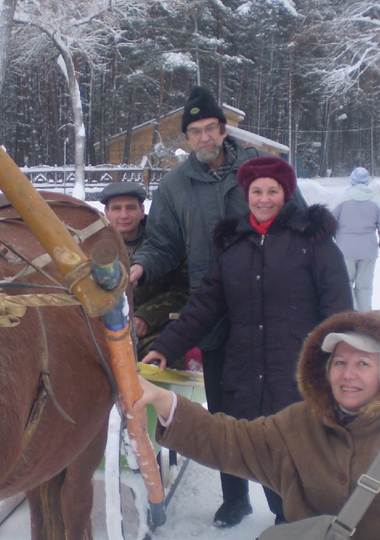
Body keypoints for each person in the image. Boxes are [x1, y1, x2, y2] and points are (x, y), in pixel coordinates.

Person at [134, 310, 380, 540]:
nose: (349, 375)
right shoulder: (296, 425)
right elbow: (229, 439)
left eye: (364, 364)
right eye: (340, 362)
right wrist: (164, 400)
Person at [140, 156, 352, 528]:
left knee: (297, 455)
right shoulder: (234, 246)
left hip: (297, 373)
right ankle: (281, 518)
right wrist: (166, 346)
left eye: (273, 190)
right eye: (257, 191)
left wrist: (338, 365)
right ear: (246, 194)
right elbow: (204, 305)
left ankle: (298, 524)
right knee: (259, 451)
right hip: (247, 370)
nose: (264, 198)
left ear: (286, 194)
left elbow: (339, 312)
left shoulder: (312, 242)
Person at [127, 85, 291, 527]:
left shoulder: (260, 171)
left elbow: (297, 223)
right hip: (215, 315)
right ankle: (235, 496)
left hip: (267, 313)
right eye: (194, 131)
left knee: (275, 413)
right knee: (224, 412)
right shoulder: (176, 186)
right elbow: (163, 243)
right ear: (186, 138)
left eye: (210, 128)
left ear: (224, 129)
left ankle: (283, 506)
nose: (203, 137)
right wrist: (140, 266)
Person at [99, 181, 189, 358]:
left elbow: (182, 290)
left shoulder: (164, 243)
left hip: (151, 331)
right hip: (101, 332)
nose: (124, 215)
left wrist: (146, 317)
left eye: (131, 208)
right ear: (106, 213)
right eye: (117, 209)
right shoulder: (91, 245)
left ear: (142, 211)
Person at [332, 167, 380, 312]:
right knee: (364, 286)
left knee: (346, 283)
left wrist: (332, 240)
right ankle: (365, 315)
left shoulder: (342, 198)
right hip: (368, 250)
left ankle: (352, 312)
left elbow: (329, 219)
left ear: (352, 180)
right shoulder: (375, 199)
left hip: (345, 249)